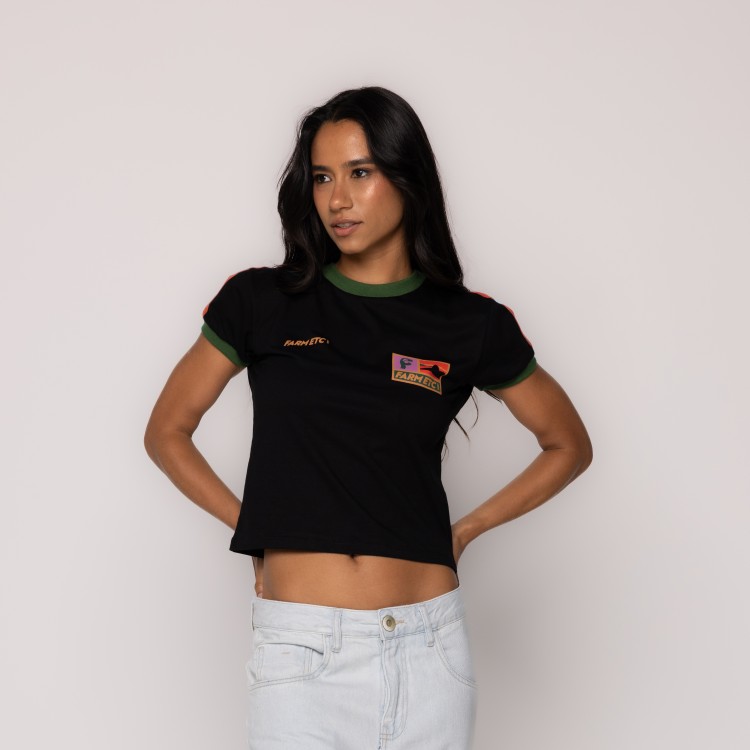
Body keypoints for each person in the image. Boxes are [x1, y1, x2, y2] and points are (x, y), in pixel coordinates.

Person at [144, 86, 592, 749]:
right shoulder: (263, 302)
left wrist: (466, 530)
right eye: (322, 176)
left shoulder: (468, 323)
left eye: (360, 172)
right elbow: (166, 432)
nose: (336, 199)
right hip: (301, 651)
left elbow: (568, 444)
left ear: (407, 177)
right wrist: (255, 528)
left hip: (429, 648)